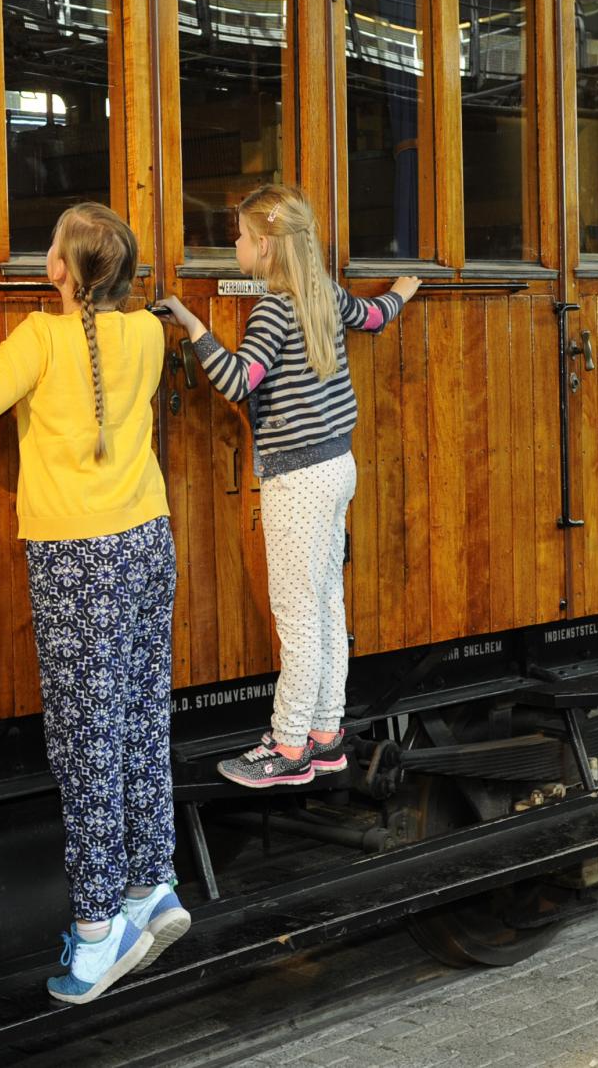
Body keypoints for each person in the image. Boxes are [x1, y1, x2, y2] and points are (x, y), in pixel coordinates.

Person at [0, 203, 188, 1005]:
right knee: (138, 719)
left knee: (84, 742)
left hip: (77, 558)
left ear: (60, 271)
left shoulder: (42, 336)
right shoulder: (148, 335)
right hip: (146, 540)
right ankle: (153, 884)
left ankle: (97, 932)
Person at [160, 184, 419, 788]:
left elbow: (237, 380)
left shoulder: (274, 309)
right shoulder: (323, 293)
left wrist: (191, 321)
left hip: (298, 478)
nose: (235, 244)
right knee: (327, 604)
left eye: (242, 237)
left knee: (297, 613)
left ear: (268, 247)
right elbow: (374, 316)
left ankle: (288, 745)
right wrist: (404, 292)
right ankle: (327, 736)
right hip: (337, 467)